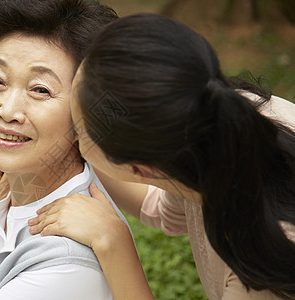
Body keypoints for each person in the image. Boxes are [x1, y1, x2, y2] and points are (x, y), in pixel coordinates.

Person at [28, 13, 295, 300]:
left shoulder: (263, 271)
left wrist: (113, 241)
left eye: (78, 130)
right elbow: (163, 208)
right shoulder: (211, 117)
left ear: (140, 169)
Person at [0, 1, 147, 300]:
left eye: (40, 89)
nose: (8, 111)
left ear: (89, 115)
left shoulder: (66, 269)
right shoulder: (12, 197)